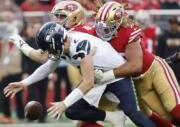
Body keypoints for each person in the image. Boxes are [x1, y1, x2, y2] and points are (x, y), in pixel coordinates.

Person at [4, 22, 157, 127]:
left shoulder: (79, 46)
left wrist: (64, 102)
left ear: (57, 42)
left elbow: (88, 82)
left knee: (132, 112)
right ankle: (112, 117)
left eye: (50, 49)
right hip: (98, 78)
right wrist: (24, 83)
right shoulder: (62, 44)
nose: (49, 53)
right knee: (72, 111)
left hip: (115, 75)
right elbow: (47, 67)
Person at [93, 1, 180, 126]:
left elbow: (136, 65)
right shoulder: (94, 34)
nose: (102, 32)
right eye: (100, 27)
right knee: (168, 118)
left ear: (118, 23)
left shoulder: (129, 32)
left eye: (108, 27)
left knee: (176, 111)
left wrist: (107, 75)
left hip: (153, 70)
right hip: (138, 83)